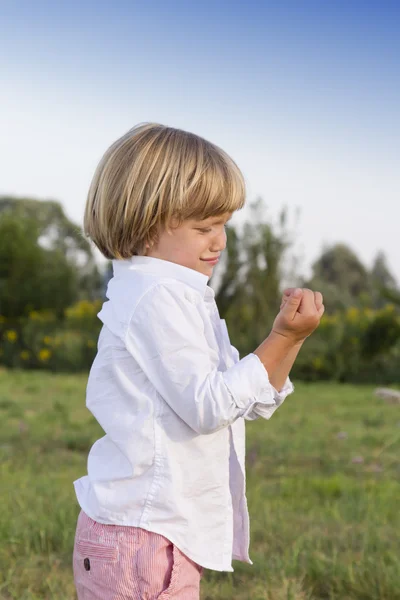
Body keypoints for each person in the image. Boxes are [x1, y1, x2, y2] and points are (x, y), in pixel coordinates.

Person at [72, 122, 324, 599]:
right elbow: (210, 406)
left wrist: (287, 341)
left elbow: (247, 399)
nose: (220, 242)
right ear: (146, 223)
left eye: (224, 224)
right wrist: (281, 336)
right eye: (204, 227)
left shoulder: (180, 296)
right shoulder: (158, 296)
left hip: (155, 535)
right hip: (145, 539)